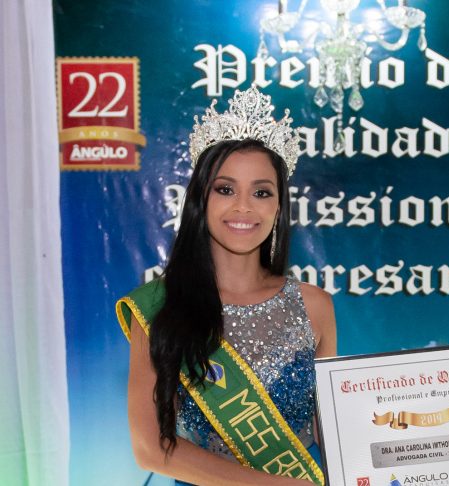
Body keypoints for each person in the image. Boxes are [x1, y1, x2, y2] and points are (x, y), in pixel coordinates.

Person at [116, 86, 336, 485]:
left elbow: (333, 433)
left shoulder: (315, 305)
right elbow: (151, 448)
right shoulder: (159, 307)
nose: (243, 206)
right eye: (225, 189)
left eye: (261, 192)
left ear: (278, 206)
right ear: (201, 199)